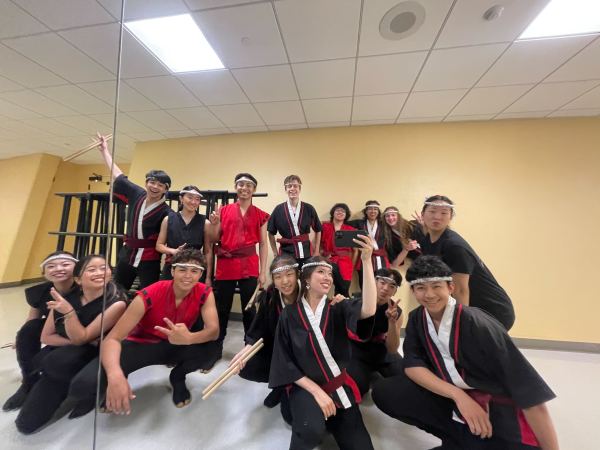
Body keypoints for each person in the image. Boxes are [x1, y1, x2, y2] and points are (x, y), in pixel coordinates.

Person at [372, 256, 559, 450]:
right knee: (387, 391)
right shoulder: (417, 317)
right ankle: (453, 435)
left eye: (437, 286)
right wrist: (458, 396)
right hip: (456, 403)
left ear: (450, 287)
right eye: (421, 288)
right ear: (413, 291)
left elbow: (530, 394)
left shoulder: (479, 325)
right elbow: (412, 365)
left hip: (496, 415)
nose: (429, 294)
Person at [69, 249, 220, 415]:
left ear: (201, 274)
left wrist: (190, 338)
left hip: (176, 343)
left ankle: (177, 377)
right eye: (182, 269)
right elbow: (112, 339)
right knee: (84, 385)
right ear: (172, 271)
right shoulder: (150, 293)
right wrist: (115, 375)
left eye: (195, 271)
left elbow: (213, 331)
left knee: (209, 350)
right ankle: (121, 379)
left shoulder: (205, 292)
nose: (188, 276)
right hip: (142, 344)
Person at [269, 234, 377, 450]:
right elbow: (284, 361)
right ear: (306, 280)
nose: (327, 277)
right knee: (311, 431)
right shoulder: (289, 314)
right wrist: (317, 392)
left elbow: (368, 309)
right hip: (306, 388)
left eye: (329, 273)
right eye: (321, 272)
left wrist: (366, 261)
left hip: (339, 386)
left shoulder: (339, 307)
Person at [15, 255, 126, 434]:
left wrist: (69, 314)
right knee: (25, 424)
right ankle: (33, 383)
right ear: (78, 279)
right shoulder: (66, 297)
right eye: (91, 270)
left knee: (72, 373)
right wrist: (81, 340)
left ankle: (88, 393)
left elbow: (81, 338)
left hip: (98, 353)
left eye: (103, 268)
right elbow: (46, 336)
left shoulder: (116, 302)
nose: (99, 273)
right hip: (70, 351)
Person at [417, 195, 515, 330]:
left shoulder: (454, 246)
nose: (437, 217)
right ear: (423, 215)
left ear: (450, 217)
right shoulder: (427, 241)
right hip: (471, 307)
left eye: (444, 213)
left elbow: (461, 290)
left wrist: (461, 326)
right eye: (432, 211)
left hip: (492, 310)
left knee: (468, 347)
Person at [3, 251, 78, 412]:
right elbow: (33, 318)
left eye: (65, 264)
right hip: (55, 329)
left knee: (50, 363)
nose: (58, 269)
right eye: (51, 266)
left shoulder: (84, 288)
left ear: (77, 268)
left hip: (79, 332)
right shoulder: (40, 292)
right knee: (28, 331)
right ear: (44, 273)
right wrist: (21, 338)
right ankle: (29, 382)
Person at [97, 133, 171, 291]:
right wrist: (105, 151)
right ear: (146, 183)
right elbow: (118, 175)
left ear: (166, 189)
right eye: (152, 182)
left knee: (149, 293)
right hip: (127, 253)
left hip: (150, 258)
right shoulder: (136, 193)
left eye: (160, 185)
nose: (155, 187)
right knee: (117, 290)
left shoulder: (167, 212)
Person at [211, 173, 269, 345]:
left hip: (249, 264)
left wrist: (263, 272)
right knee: (221, 309)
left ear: (254, 189)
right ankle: (215, 347)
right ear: (236, 187)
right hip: (226, 264)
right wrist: (214, 224)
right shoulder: (223, 210)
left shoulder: (261, 215)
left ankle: (249, 347)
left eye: (248, 185)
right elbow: (214, 239)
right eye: (241, 184)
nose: (244, 188)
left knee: (249, 309)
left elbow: (264, 244)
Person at [347, 268, 403, 396]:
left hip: (381, 353)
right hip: (357, 352)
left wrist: (392, 322)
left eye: (392, 286)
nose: (385, 288)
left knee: (406, 375)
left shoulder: (397, 312)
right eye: (382, 282)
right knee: (359, 388)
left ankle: (374, 371)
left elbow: (393, 349)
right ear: (373, 282)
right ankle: (368, 373)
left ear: (395, 291)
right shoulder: (355, 302)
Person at [156, 185, 216, 282]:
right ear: (181, 199)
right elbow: (159, 245)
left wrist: (208, 278)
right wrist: (173, 251)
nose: (193, 202)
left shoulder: (205, 222)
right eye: (190, 197)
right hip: (173, 267)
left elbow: (208, 252)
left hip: (195, 268)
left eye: (197, 199)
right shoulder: (168, 219)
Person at [268, 175, 322, 266]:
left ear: (299, 189)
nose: (292, 188)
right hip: (286, 253)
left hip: (306, 252)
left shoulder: (309, 208)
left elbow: (318, 229)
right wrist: (275, 252)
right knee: (289, 279)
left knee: (306, 278)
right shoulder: (278, 209)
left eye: (295, 186)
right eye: (289, 186)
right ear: (286, 189)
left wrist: (316, 251)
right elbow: (270, 232)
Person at [319, 203, 356, 297]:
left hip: (346, 262)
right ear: (333, 213)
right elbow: (318, 244)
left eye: (343, 211)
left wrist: (352, 264)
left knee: (343, 288)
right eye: (338, 210)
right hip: (329, 260)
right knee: (335, 288)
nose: (340, 212)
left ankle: (339, 307)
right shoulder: (325, 227)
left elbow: (355, 251)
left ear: (346, 215)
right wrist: (322, 255)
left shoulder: (350, 229)